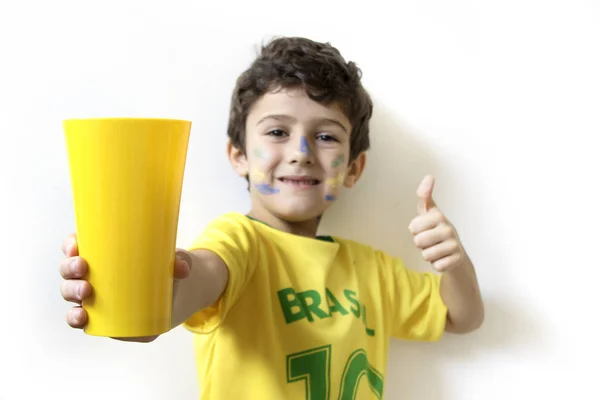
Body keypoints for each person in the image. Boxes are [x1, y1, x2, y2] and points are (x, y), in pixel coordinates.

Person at [58, 36, 484, 399]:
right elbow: (182, 291)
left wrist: (454, 261)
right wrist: (130, 295)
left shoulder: (369, 269)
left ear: (353, 168)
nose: (301, 152)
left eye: (326, 136)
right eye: (278, 131)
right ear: (239, 155)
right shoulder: (239, 241)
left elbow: (462, 317)